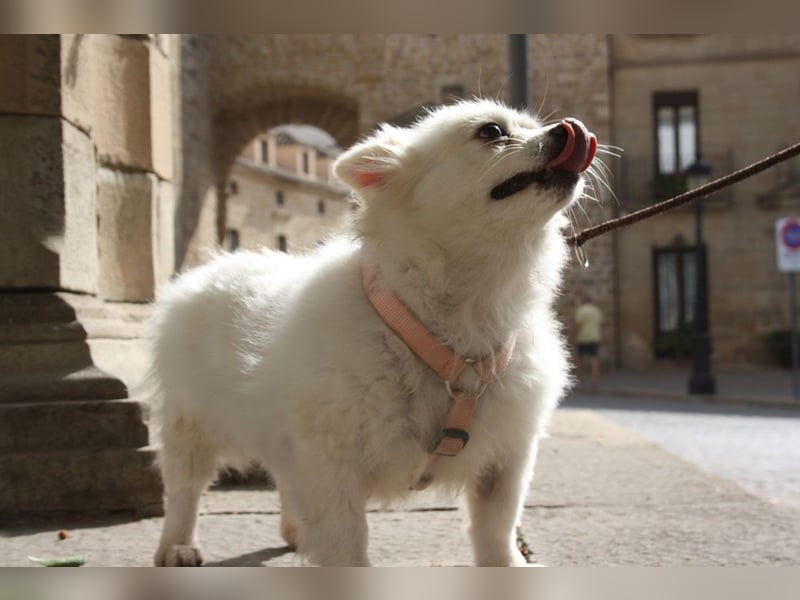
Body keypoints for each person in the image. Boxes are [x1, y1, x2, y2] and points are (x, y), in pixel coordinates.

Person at [573, 292, 603, 385]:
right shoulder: (596, 310)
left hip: (583, 336)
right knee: (594, 358)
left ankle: (580, 376)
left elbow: (578, 324)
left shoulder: (581, 310)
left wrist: (575, 335)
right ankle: (595, 378)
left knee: (579, 357)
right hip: (594, 336)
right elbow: (599, 324)